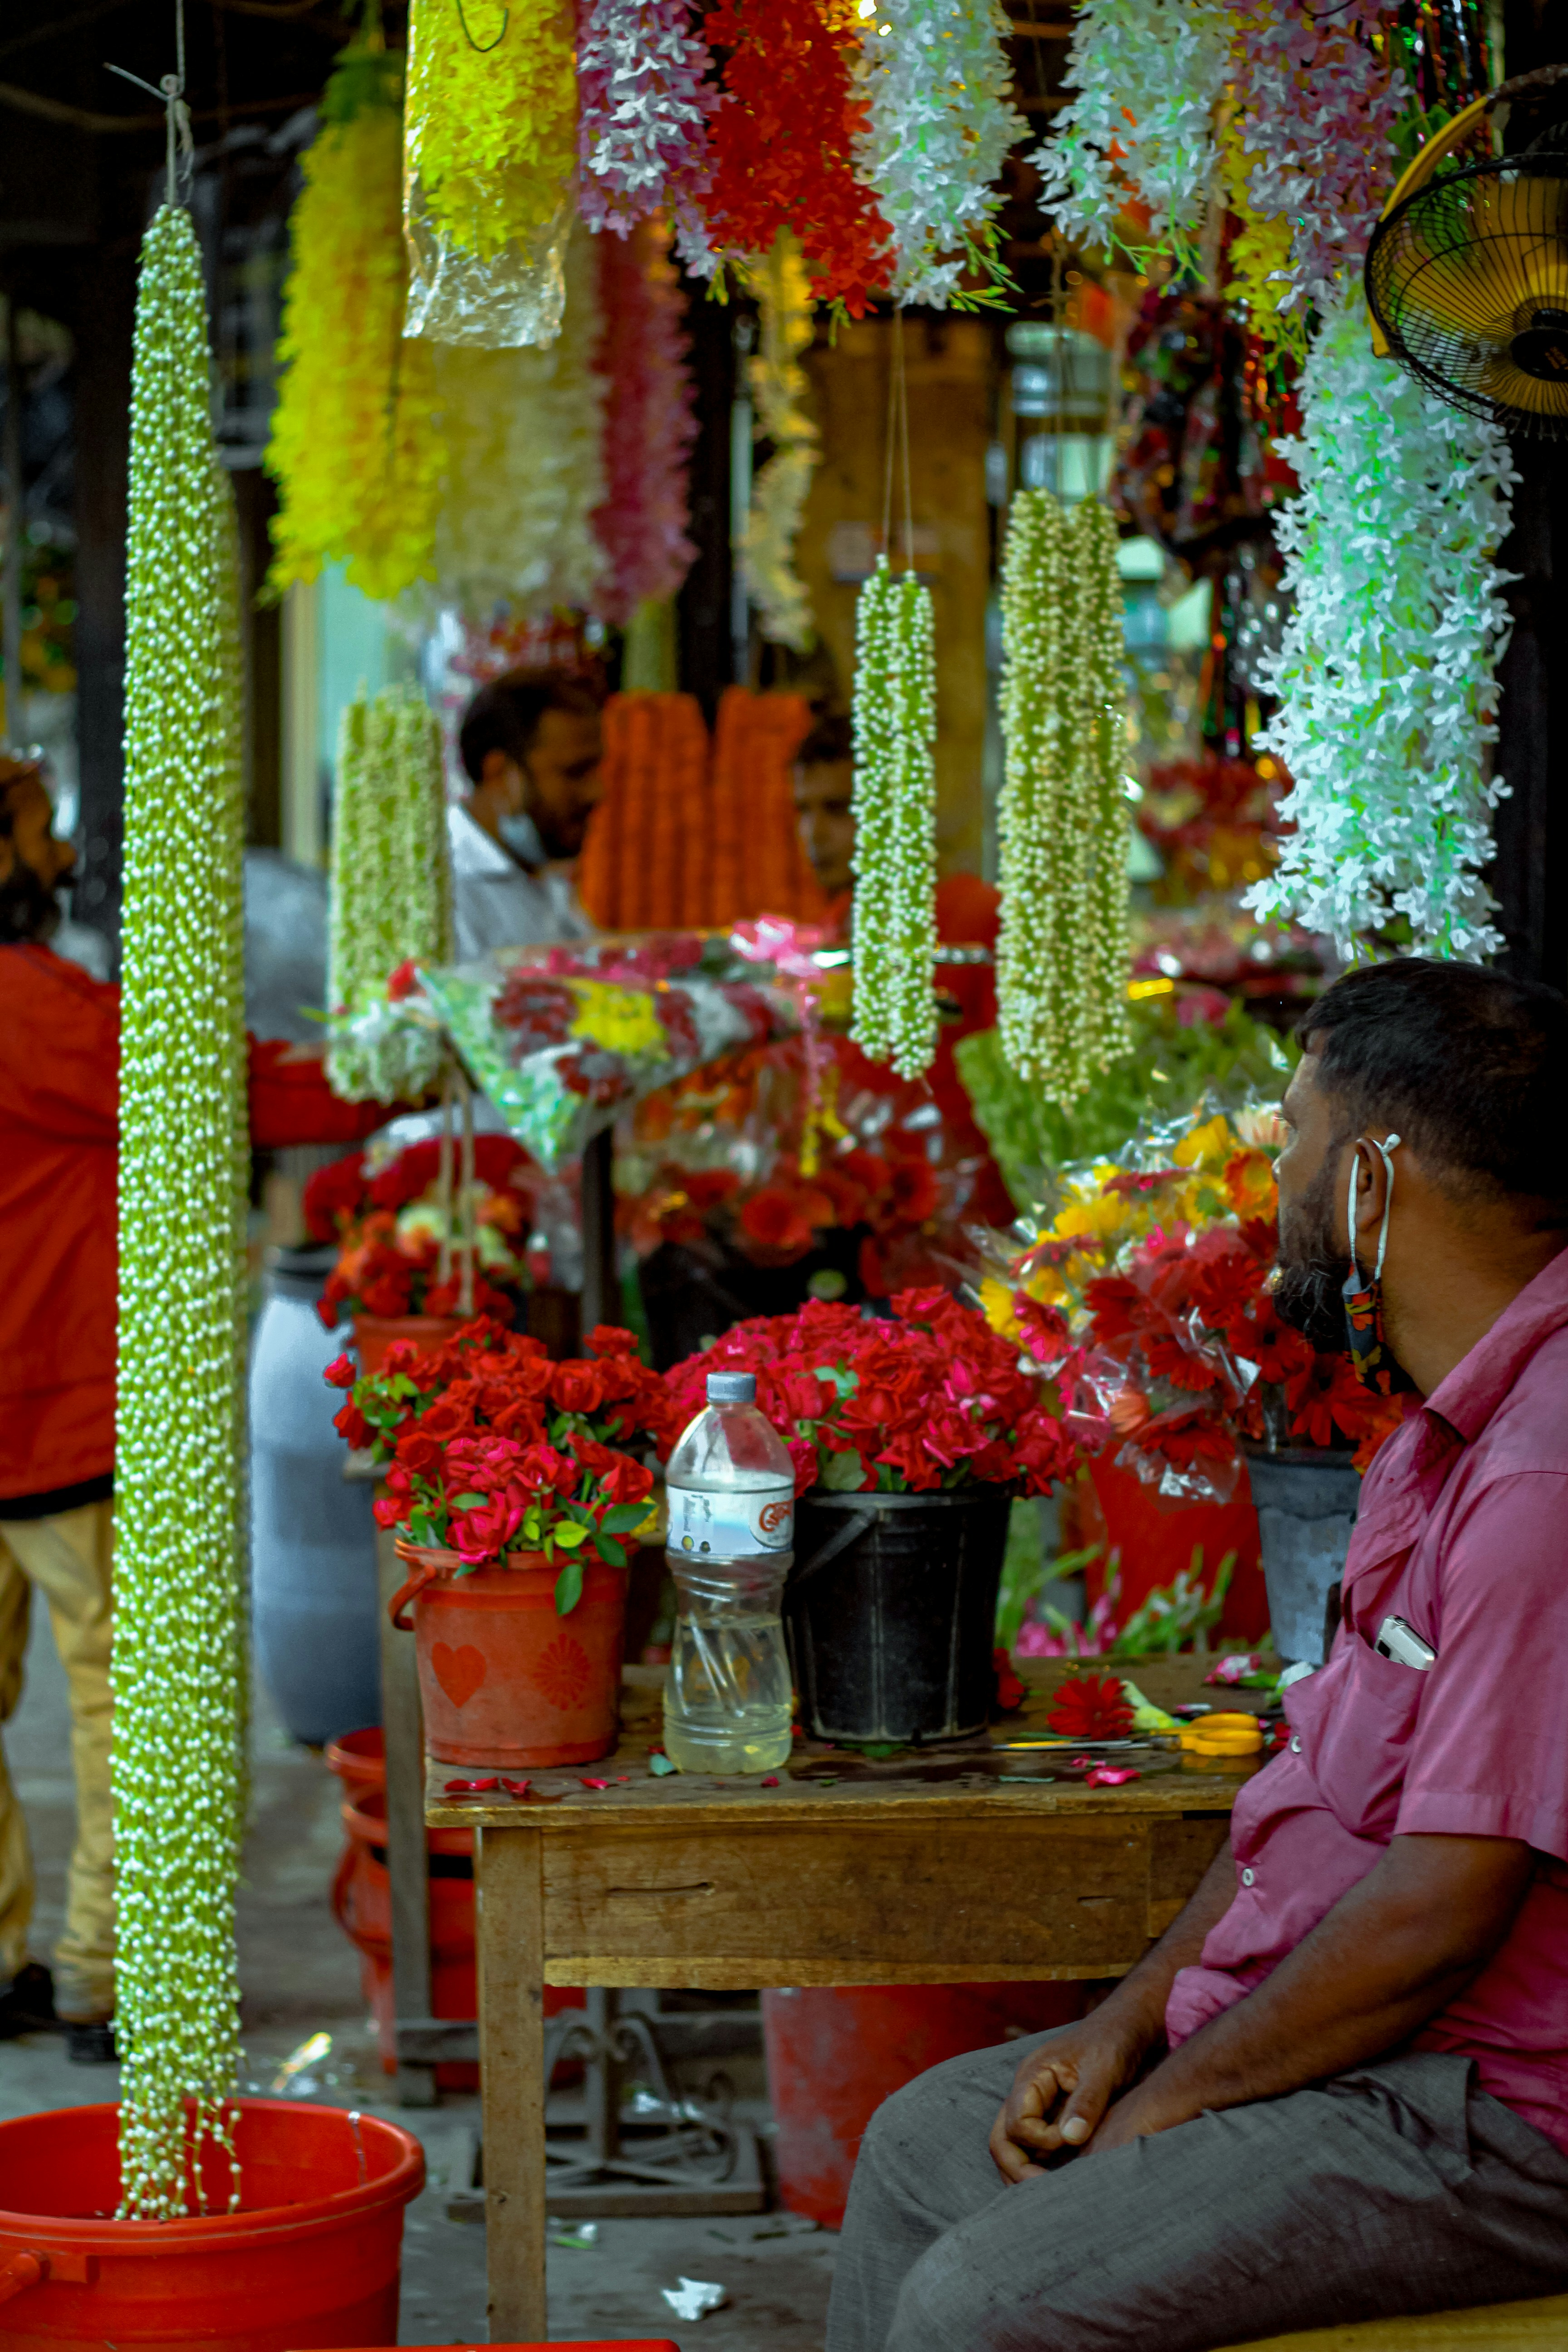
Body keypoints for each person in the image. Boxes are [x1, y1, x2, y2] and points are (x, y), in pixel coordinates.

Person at [828, 955, 1568, 2352]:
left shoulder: (1541, 1480)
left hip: (1491, 2108)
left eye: (1293, 1132)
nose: (1273, 1170)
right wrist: (1120, 2029)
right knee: (927, 2148)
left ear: (1373, 1182)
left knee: (984, 2302)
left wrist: (1171, 2109)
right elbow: (1310, 1790)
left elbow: (1437, 1915)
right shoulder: (1446, 1426)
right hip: (1379, 2053)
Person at [0, 755, 387, 2061]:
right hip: (51, 1421)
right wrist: (400, 1076)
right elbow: (218, 1089)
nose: (62, 864)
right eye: (43, 839)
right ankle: (104, 1976)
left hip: (39, 1416)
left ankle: (13, 1960)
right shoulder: (32, 1004)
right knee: (125, 1702)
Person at [792, 710, 1014, 1230]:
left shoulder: (977, 919)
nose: (813, 833)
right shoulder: (823, 939)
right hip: (859, 1234)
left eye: (838, 809)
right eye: (802, 810)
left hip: (975, 1235)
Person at [449, 666, 605, 960]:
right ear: (499, 775)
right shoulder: (448, 893)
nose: (597, 793)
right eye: (575, 773)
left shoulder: (538, 871)